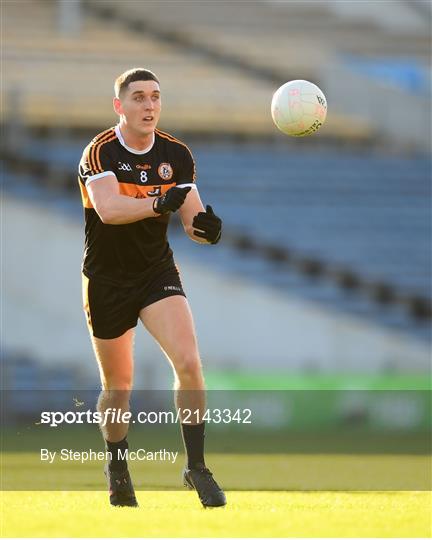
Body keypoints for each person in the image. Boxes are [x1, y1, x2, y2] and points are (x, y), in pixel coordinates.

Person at [78, 68, 226, 508]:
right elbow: (108, 209)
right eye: (139, 98)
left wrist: (208, 230)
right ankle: (117, 462)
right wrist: (156, 203)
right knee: (118, 386)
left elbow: (191, 221)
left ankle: (196, 467)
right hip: (106, 279)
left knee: (189, 361)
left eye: (155, 97)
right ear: (119, 106)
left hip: (155, 273)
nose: (149, 106)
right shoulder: (100, 151)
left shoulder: (177, 154)